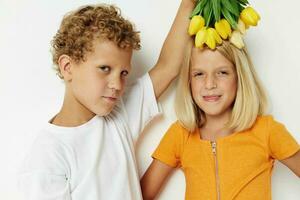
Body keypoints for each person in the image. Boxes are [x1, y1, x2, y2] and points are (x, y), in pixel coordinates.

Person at [18, 1, 194, 200]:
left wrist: (189, 4)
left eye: (124, 73)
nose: (117, 84)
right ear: (67, 67)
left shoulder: (119, 115)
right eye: (105, 69)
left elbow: (168, 67)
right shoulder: (47, 158)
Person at [140, 40, 300, 200]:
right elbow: (137, 194)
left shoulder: (267, 130)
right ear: (188, 82)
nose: (210, 84)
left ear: (240, 77)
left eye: (222, 72)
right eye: (199, 74)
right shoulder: (181, 134)